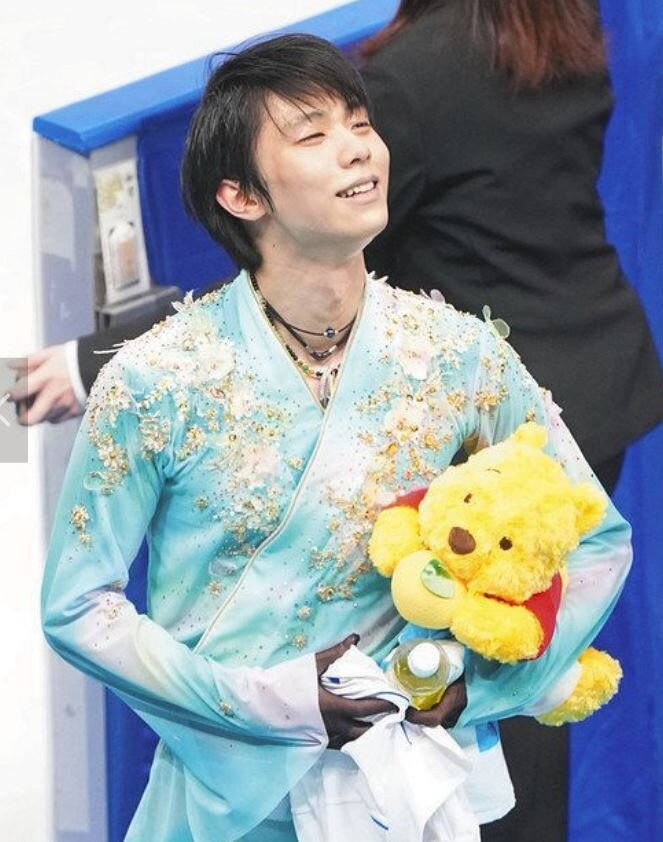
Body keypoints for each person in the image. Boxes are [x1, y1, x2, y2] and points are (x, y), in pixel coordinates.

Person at [40, 34, 631, 842]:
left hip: (406, 789)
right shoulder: (155, 380)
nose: (357, 149)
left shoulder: (458, 354)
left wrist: (480, 685)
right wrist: (267, 704)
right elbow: (77, 606)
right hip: (231, 801)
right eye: (312, 135)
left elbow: (595, 538)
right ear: (241, 195)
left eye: (359, 123)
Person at [358, 2, 663, 839]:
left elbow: (327, 254)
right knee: (523, 671)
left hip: (502, 438)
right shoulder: (554, 29)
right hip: (592, 389)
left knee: (475, 690)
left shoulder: (409, 77)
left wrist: (95, 360)